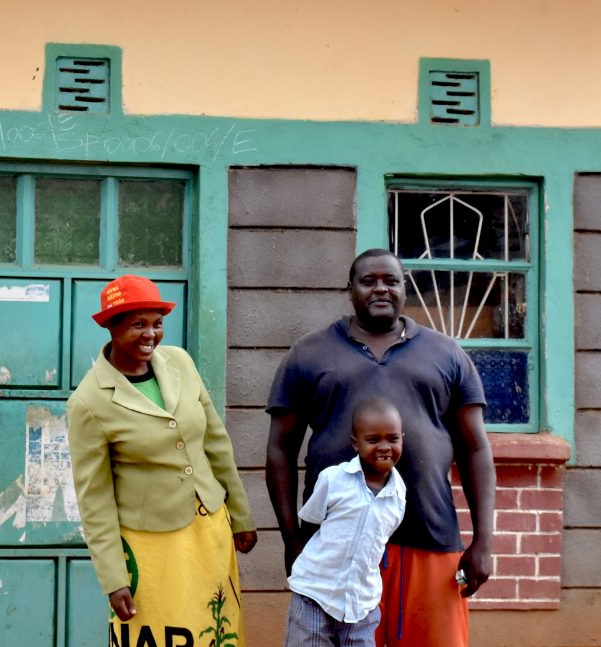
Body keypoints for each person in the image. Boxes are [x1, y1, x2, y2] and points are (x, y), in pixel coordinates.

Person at [266, 248, 495, 647]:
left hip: (428, 537)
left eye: (390, 280)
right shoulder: (308, 353)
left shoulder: (446, 353)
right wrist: (291, 538)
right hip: (335, 548)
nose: (380, 288)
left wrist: (484, 541)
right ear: (349, 290)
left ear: (405, 288)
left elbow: (475, 449)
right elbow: (280, 449)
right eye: (368, 281)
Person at [68, 274, 258, 647]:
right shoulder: (88, 402)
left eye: (157, 323)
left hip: (209, 529)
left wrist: (241, 515)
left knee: (216, 628)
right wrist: (113, 576)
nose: (150, 334)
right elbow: (95, 500)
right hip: (150, 544)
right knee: (161, 632)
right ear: (111, 326)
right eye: (138, 324)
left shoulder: (180, 363)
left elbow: (216, 442)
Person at [284, 396, 406, 647]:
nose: (384, 447)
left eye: (392, 439)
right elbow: (310, 525)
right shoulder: (333, 480)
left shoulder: (398, 493)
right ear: (356, 443)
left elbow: (382, 538)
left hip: (362, 606)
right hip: (315, 597)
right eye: (373, 440)